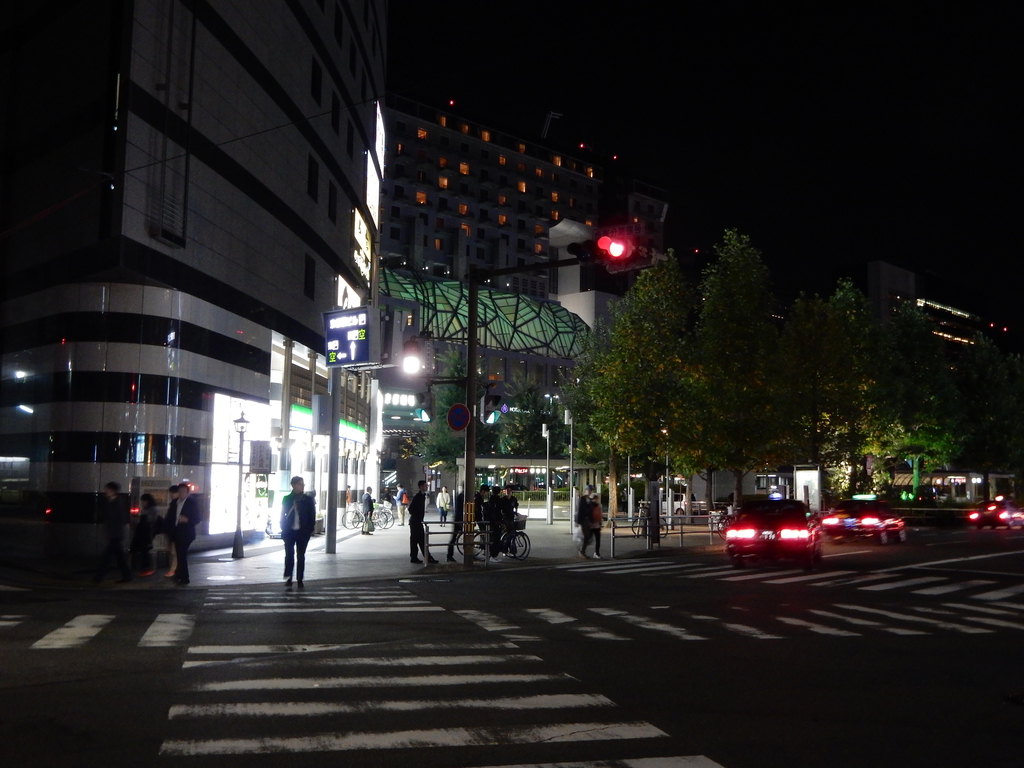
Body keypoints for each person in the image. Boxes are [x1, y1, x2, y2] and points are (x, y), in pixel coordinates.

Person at [280, 476, 316, 587]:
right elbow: (282, 514)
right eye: (300, 484)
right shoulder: (287, 499)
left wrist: (310, 529)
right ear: (293, 485)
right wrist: (283, 527)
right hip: (289, 531)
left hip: (303, 532)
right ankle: (289, 577)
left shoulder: (308, 499)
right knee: (289, 555)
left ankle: (300, 578)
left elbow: (312, 515)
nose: (302, 486)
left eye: (303, 484)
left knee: (301, 555)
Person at [95, 481, 132, 583]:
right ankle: (127, 575)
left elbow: (121, 519)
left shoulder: (117, 503)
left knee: (106, 557)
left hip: (115, 534)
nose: (105, 491)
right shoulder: (110, 502)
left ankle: (99, 577)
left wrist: (115, 532)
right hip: (114, 534)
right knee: (119, 558)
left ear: (113, 491)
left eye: (107, 489)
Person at [172, 483, 200, 584]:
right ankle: (179, 574)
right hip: (176, 532)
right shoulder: (175, 502)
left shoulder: (192, 503)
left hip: (187, 533)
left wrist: (187, 520)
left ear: (187, 493)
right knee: (179, 554)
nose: (181, 493)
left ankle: (184, 577)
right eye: (179, 491)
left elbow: (197, 518)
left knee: (182, 553)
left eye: (183, 491)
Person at [408, 480, 438, 564]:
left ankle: (416, 557)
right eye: (425, 486)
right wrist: (417, 515)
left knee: (416, 540)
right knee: (420, 540)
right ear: (421, 487)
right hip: (416, 521)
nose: (426, 487)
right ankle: (426, 557)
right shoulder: (418, 497)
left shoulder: (422, 496)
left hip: (416, 521)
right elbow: (411, 509)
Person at [129, 493, 157, 577]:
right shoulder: (147, 509)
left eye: (143, 501)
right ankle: (144, 568)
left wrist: (140, 518)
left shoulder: (152, 509)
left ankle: (146, 568)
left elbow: (149, 520)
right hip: (143, 533)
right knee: (144, 550)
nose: (142, 503)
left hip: (146, 533)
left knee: (144, 550)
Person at [162, 485, 180, 577]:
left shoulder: (176, 504)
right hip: (171, 532)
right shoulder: (173, 504)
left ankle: (173, 569)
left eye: (174, 493)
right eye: (171, 493)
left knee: (173, 552)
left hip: (173, 532)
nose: (171, 495)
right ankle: (173, 569)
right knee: (172, 551)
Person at [576, 484, 597, 559]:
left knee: (589, 536)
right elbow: (579, 510)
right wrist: (577, 521)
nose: (589, 491)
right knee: (586, 536)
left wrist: (592, 521)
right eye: (588, 490)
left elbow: (590, 511)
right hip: (583, 520)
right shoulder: (582, 499)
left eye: (590, 490)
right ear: (585, 490)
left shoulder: (590, 500)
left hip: (588, 520)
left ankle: (582, 549)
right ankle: (582, 550)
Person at [446, 487, 465, 562]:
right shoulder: (462, 496)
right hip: (459, 519)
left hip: (459, 519)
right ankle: (449, 555)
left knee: (454, 537)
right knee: (454, 538)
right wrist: (460, 520)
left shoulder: (461, 496)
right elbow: (460, 509)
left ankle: (449, 555)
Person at [588, 495, 604, 559]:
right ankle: (582, 550)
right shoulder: (589, 506)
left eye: (596, 499)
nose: (595, 500)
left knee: (598, 540)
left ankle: (597, 553)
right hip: (591, 525)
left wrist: (600, 522)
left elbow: (600, 514)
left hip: (596, 525)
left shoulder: (598, 506)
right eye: (594, 499)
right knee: (587, 539)